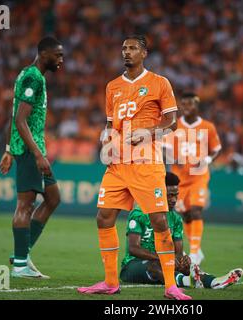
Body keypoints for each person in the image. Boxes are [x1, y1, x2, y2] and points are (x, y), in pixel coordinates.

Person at [77, 35, 191, 300]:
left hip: (146, 163)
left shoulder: (159, 83)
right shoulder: (112, 86)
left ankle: (171, 286)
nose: (126, 52)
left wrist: (148, 132)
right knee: (103, 217)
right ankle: (110, 282)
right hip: (117, 164)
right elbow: (109, 124)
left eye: (132, 48)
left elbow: (172, 122)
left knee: (159, 221)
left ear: (144, 53)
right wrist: (106, 138)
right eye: (124, 48)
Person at [0, 36, 64, 279]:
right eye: (57, 55)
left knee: (53, 197)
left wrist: (7, 148)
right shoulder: (32, 77)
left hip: (31, 148)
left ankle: (21, 254)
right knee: (25, 205)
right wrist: (36, 154)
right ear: (43, 53)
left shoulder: (33, 76)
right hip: (29, 150)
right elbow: (19, 119)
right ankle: (19, 266)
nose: (61, 60)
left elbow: (14, 113)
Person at [120, 172, 243, 289]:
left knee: (190, 266)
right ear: (159, 193)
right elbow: (133, 249)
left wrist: (183, 263)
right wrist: (162, 257)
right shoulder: (139, 213)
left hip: (163, 261)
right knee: (155, 265)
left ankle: (213, 282)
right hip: (134, 265)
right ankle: (187, 281)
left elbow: (178, 253)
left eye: (176, 195)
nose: (174, 200)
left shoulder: (176, 219)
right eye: (170, 195)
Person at [165, 93, 222, 265]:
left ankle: (195, 252)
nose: (186, 107)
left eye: (190, 104)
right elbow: (166, 147)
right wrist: (174, 159)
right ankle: (196, 248)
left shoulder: (208, 127)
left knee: (196, 210)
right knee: (185, 214)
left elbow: (216, 148)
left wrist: (208, 159)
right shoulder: (175, 126)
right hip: (180, 178)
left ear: (197, 106)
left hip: (199, 176)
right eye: (184, 104)